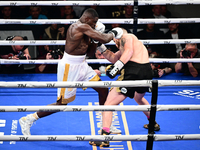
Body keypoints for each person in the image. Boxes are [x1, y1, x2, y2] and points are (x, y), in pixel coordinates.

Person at [19, 8, 123, 136]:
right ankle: (28, 119)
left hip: (82, 64)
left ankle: (106, 124)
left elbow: (90, 52)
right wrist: (114, 32)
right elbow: (106, 38)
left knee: (103, 89)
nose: (95, 25)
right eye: (94, 22)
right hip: (69, 67)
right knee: (62, 104)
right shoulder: (79, 27)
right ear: (87, 19)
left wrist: (95, 40)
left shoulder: (88, 30)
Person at [89, 28, 160, 147]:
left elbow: (129, 52)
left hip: (133, 71)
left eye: (114, 39)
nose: (114, 42)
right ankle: (153, 123)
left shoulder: (127, 37)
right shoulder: (130, 44)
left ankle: (104, 137)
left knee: (108, 105)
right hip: (146, 71)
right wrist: (100, 46)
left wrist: (117, 67)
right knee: (139, 98)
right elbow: (113, 58)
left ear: (117, 35)